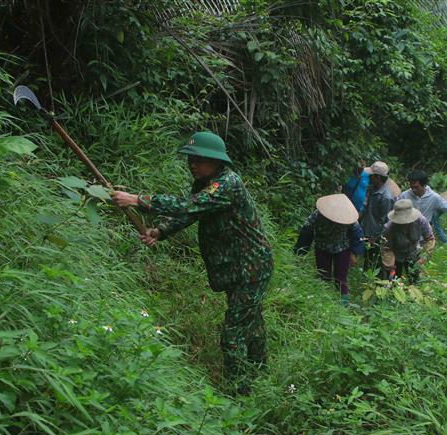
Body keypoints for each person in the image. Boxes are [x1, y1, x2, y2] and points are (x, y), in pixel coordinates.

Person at [112, 131, 273, 394]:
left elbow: (189, 206)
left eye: (199, 160)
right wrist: (160, 231)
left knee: (233, 332)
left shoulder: (227, 184)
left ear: (216, 160)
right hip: (237, 266)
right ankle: (259, 373)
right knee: (250, 321)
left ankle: (240, 393)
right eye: (190, 160)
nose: (193, 165)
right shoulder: (206, 183)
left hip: (252, 266)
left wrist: (136, 200)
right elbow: (192, 213)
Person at [296, 194, 363, 306]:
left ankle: (344, 305)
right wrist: (300, 251)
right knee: (323, 276)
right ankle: (323, 302)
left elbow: (357, 235)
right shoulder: (318, 214)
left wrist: (354, 253)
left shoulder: (349, 218)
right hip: (322, 247)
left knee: (341, 278)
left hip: (342, 248)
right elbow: (307, 231)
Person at [399, 171, 447, 236]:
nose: (414, 190)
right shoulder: (404, 196)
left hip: (423, 230)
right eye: (412, 187)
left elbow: (446, 205)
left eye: (416, 187)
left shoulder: (433, 197)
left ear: (424, 185)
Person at [381, 199, 435, 283]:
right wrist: (390, 264)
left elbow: (430, 239)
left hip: (414, 253)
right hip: (397, 255)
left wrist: (424, 257)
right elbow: (387, 248)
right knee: (393, 282)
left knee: (416, 281)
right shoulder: (389, 228)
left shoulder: (421, 221)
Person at [360, 161, 395, 271]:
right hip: (367, 231)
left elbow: (385, 221)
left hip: (377, 236)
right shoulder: (370, 189)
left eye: (372, 176)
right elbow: (365, 208)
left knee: (377, 264)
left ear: (378, 177)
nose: (369, 177)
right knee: (367, 261)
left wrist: (374, 237)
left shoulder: (386, 197)